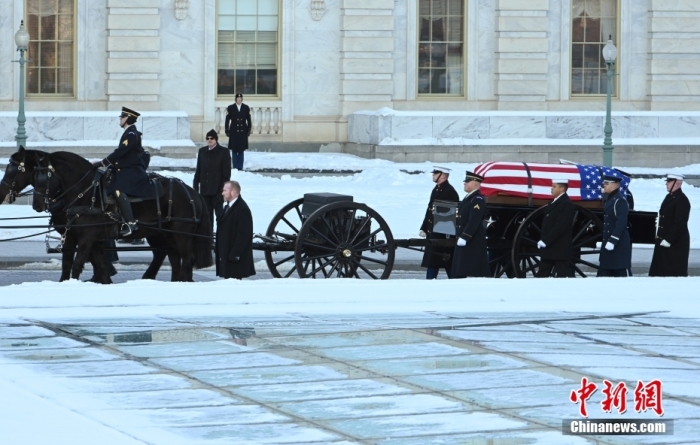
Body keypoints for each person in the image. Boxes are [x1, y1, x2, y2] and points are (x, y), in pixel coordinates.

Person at [93, 107, 151, 236]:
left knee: (118, 191)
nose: (120, 119)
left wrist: (103, 163)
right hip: (125, 170)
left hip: (132, 171)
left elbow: (121, 152)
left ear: (128, 119)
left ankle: (131, 223)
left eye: (122, 117)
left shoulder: (131, 134)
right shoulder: (128, 133)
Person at [419, 166, 459, 279]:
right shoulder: (437, 189)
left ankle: (454, 281)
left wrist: (447, 236)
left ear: (443, 175)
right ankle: (431, 281)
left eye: (436, 173)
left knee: (444, 260)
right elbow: (430, 210)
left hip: (442, 232)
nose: (433, 175)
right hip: (434, 230)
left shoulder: (449, 191)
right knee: (433, 260)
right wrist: (424, 227)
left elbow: (450, 216)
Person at [649, 173, 692, 277]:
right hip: (664, 240)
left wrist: (669, 240)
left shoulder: (682, 200)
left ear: (677, 183)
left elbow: (679, 223)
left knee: (672, 273)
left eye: (669, 181)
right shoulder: (670, 197)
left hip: (675, 243)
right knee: (659, 272)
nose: (666, 184)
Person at [451, 171, 490, 278]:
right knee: (461, 267)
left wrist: (465, 236)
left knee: (470, 269)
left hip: (472, 239)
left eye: (468, 181)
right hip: (464, 236)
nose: (465, 183)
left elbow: (474, 220)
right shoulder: (469, 197)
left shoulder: (477, 199)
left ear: (476, 184)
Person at [216, 180, 256, 279]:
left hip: (234, 261)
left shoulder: (242, 209)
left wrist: (235, 254)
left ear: (233, 192)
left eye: (225, 190)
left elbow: (244, 235)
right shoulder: (228, 207)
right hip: (227, 257)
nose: (222, 193)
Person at [193, 129, 231, 230]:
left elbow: (226, 174)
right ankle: (209, 239)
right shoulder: (202, 151)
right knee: (206, 218)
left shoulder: (224, 152)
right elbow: (198, 172)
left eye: (212, 138)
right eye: (207, 138)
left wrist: (222, 191)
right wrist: (195, 189)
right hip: (205, 192)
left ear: (216, 139)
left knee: (220, 217)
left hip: (217, 192)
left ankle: (222, 237)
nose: (209, 140)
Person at [537, 179, 575, 277]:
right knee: (542, 274)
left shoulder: (566, 204)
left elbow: (561, 226)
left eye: (554, 186)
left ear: (562, 188)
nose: (551, 188)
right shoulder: (554, 203)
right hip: (550, 250)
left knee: (564, 275)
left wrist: (546, 241)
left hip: (559, 250)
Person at [597, 174, 631, 277]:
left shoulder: (619, 200)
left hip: (618, 245)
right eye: (604, 183)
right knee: (602, 277)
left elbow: (621, 223)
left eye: (607, 183)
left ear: (615, 186)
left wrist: (612, 241)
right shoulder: (611, 199)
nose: (604, 185)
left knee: (622, 277)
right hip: (608, 246)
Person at [224, 93, 252, 170]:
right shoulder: (230, 107)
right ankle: (235, 166)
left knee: (241, 149)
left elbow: (249, 119)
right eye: (237, 98)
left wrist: (249, 129)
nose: (239, 100)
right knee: (234, 149)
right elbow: (227, 119)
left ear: (242, 99)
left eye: (240, 98)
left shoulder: (246, 108)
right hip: (234, 131)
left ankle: (240, 166)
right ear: (235, 99)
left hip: (243, 131)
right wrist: (227, 129)